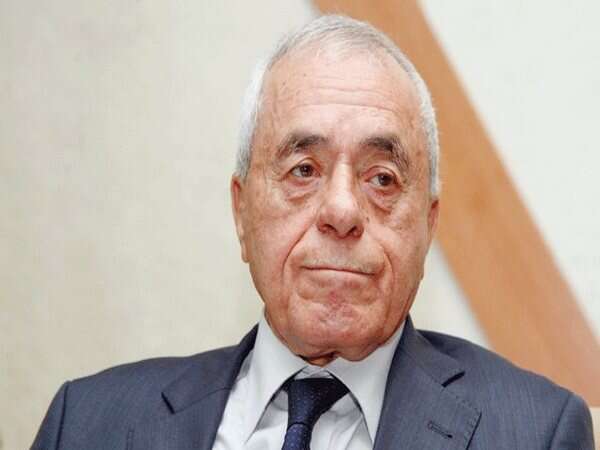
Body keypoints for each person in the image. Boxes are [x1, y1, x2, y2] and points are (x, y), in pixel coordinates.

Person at [32, 14, 594, 450]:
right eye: (303, 170)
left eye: (382, 177)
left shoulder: (535, 432)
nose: (343, 210)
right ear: (241, 212)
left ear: (428, 224)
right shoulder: (87, 422)